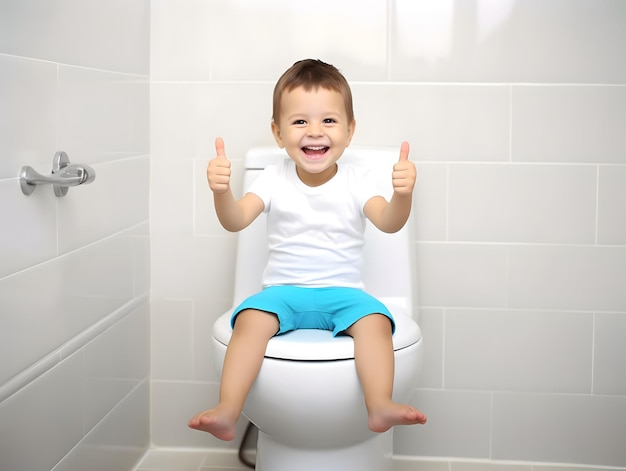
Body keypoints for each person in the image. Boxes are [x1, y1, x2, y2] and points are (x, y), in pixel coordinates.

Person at [188, 59, 427, 441]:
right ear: (278, 133)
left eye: (329, 121)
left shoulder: (356, 180)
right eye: (300, 121)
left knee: (376, 323)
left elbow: (389, 222)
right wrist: (221, 194)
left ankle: (379, 403)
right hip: (282, 292)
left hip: (345, 294)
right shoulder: (272, 177)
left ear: (350, 131)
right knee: (248, 322)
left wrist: (402, 194)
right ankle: (228, 409)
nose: (314, 132)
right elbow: (235, 220)